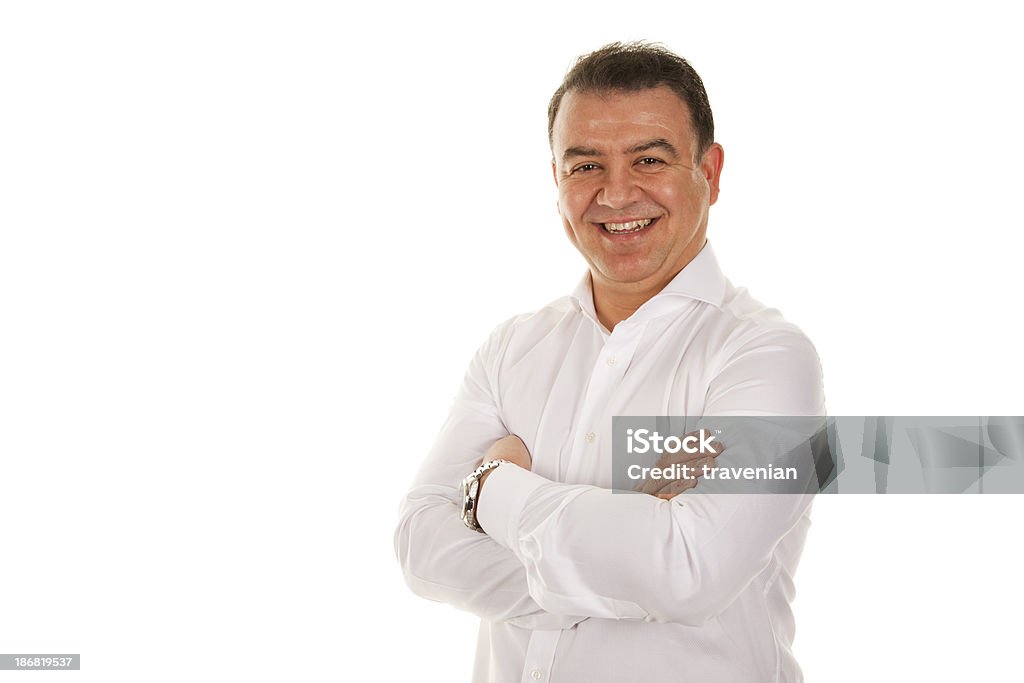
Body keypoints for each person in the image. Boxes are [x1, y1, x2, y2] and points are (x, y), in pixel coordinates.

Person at [395, 41, 826, 682]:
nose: (616, 193)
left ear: (710, 172)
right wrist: (626, 567)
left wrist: (491, 491)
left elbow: (686, 574)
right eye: (585, 165)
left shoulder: (765, 357)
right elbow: (421, 548)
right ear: (557, 181)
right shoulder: (510, 348)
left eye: (649, 159)